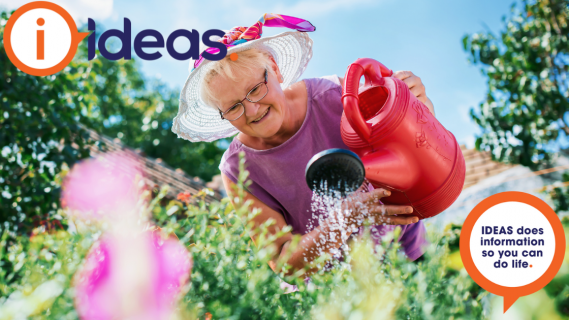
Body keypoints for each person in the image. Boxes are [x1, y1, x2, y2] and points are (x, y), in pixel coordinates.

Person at [172, 13, 432, 277]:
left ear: (274, 68)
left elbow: (417, 148)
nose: (251, 110)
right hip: (331, 292)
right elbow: (283, 263)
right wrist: (344, 220)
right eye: (233, 107)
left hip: (406, 257)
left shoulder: (336, 96)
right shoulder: (238, 170)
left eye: (254, 90)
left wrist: (419, 108)